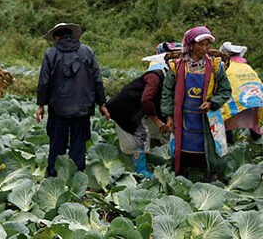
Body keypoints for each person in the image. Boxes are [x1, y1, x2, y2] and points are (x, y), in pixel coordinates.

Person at [36, 22, 109, 174]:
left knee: (57, 143)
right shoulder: (87, 52)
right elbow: (97, 79)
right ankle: (76, 177)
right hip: (83, 107)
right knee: (78, 144)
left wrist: (41, 105)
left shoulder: (50, 54)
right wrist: (102, 103)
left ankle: (55, 175)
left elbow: (44, 82)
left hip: (58, 108)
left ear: (56, 37)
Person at [161, 26, 232, 179]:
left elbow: (225, 91)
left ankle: (209, 175)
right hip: (183, 116)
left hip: (207, 117)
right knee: (182, 148)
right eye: (201, 44)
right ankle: (182, 175)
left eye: (208, 44)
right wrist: (168, 116)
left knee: (208, 148)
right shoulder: (177, 66)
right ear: (191, 45)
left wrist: (212, 102)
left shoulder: (215, 66)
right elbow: (167, 92)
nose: (205, 48)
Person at [106, 42, 179, 177]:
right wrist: (157, 121)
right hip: (126, 109)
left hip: (138, 109)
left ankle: (149, 161)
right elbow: (146, 100)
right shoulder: (155, 76)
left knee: (149, 134)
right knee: (141, 135)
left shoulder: (169, 76)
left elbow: (164, 99)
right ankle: (141, 171)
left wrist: (168, 118)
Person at [219, 42, 263, 141]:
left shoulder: (225, 67)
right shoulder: (247, 67)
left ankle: (228, 141)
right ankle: (256, 139)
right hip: (255, 98)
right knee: (253, 121)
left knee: (226, 116)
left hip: (236, 98)